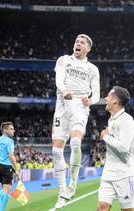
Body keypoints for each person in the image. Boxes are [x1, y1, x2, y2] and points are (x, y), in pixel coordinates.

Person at [52, 34, 100, 208]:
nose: (78, 44)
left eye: (82, 42)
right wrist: (64, 90)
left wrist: (91, 101)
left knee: (75, 142)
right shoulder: (64, 60)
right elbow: (59, 79)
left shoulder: (93, 69)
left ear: (88, 48)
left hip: (80, 105)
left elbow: (96, 94)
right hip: (62, 104)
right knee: (56, 152)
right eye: (76, 42)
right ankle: (62, 191)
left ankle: (73, 183)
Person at [97, 86, 134, 211]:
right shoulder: (112, 120)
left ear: (115, 101)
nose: (105, 98)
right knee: (101, 207)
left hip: (124, 174)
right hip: (109, 172)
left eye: (108, 96)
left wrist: (105, 137)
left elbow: (124, 147)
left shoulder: (126, 120)